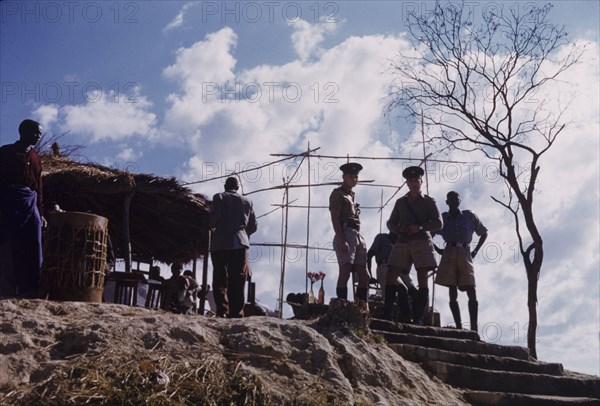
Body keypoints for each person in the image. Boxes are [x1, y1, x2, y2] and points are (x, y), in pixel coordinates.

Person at [386, 166, 443, 324]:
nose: (413, 183)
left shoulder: (429, 201)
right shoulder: (400, 202)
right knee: (391, 273)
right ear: (407, 183)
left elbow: (439, 223)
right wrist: (399, 229)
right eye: (410, 181)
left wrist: (420, 227)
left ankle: (418, 317)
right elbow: (390, 223)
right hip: (403, 241)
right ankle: (388, 314)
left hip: (422, 241)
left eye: (416, 180)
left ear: (421, 181)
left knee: (422, 278)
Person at [0, 119, 44, 297]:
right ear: (23, 132)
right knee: (6, 242)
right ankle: (5, 287)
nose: (38, 136)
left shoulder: (35, 158)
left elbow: (39, 186)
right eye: (35, 133)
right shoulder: (6, 152)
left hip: (30, 202)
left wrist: (40, 211)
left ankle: (30, 289)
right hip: (7, 200)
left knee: (33, 243)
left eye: (40, 134)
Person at [433, 191, 488, 331]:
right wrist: (438, 249)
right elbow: (429, 233)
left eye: (456, 199)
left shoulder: (469, 216)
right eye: (450, 200)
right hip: (449, 251)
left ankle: (474, 328)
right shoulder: (443, 218)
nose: (453, 201)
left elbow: (483, 233)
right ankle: (459, 326)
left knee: (471, 288)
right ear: (447, 202)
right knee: (452, 289)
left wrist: (475, 251)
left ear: (459, 201)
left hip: (465, 251)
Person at [210, 176, 257, 318]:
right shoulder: (248, 201)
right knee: (238, 279)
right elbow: (253, 226)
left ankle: (222, 311)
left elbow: (215, 218)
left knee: (220, 277)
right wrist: (243, 233)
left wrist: (210, 225)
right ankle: (236, 312)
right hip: (240, 243)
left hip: (221, 243)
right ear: (237, 188)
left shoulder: (219, 197)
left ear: (225, 186)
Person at [328, 162, 370, 303]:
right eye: (351, 176)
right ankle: (342, 306)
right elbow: (334, 217)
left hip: (356, 233)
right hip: (345, 232)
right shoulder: (338, 194)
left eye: (356, 176)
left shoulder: (351, 195)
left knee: (364, 276)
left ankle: (360, 308)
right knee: (345, 270)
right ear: (344, 177)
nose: (354, 179)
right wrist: (341, 239)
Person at [367, 231, 418, 321]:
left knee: (414, 291)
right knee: (401, 288)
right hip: (385, 265)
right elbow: (370, 255)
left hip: (400, 269)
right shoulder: (382, 237)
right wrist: (369, 275)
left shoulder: (402, 242)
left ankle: (417, 317)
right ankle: (397, 315)